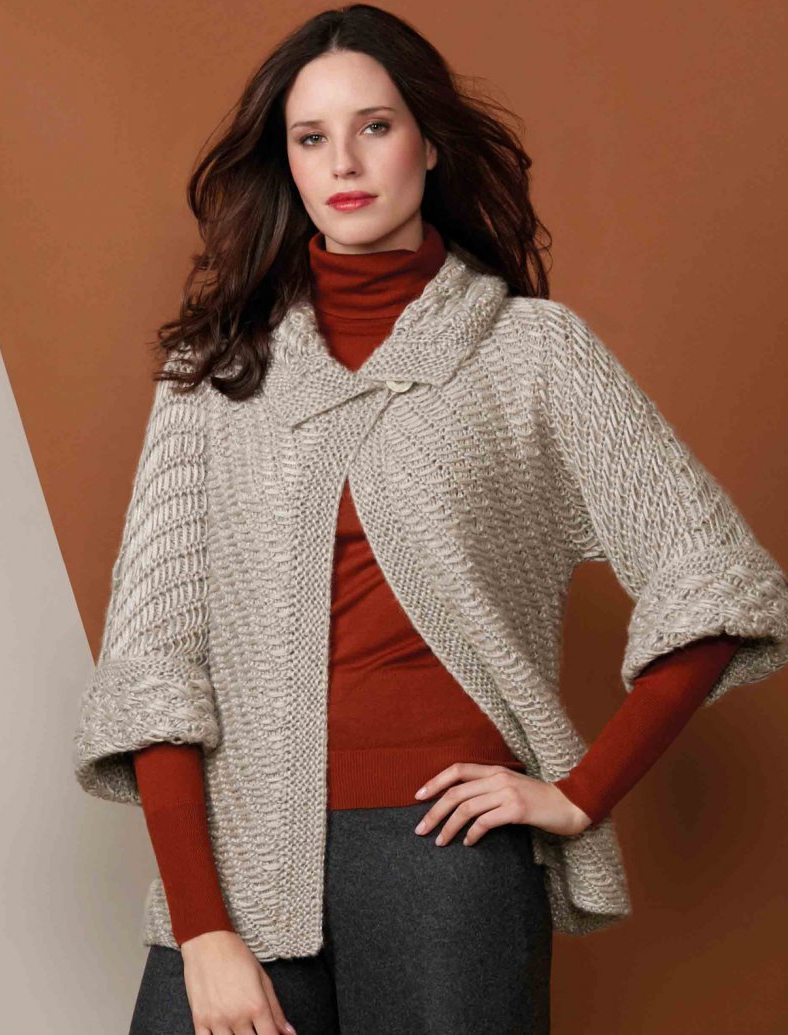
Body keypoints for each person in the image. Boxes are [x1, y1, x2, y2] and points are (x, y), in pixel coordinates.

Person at [72, 5, 788, 1034]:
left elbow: (718, 581)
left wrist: (579, 790)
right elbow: (154, 667)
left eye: (374, 126)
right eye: (310, 137)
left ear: (429, 142)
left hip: (445, 857)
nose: (343, 161)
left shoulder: (533, 352)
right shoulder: (213, 377)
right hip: (240, 859)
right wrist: (201, 927)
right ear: (286, 163)